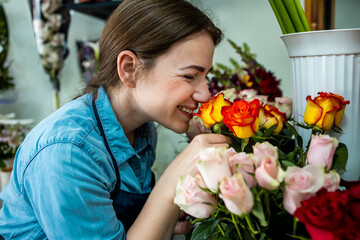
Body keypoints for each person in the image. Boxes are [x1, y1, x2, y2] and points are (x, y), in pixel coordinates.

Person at [0, 0, 232, 239]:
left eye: (205, 76)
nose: (205, 94)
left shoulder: (142, 129)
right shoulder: (67, 152)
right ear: (129, 68)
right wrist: (174, 179)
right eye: (190, 75)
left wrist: (164, 222)